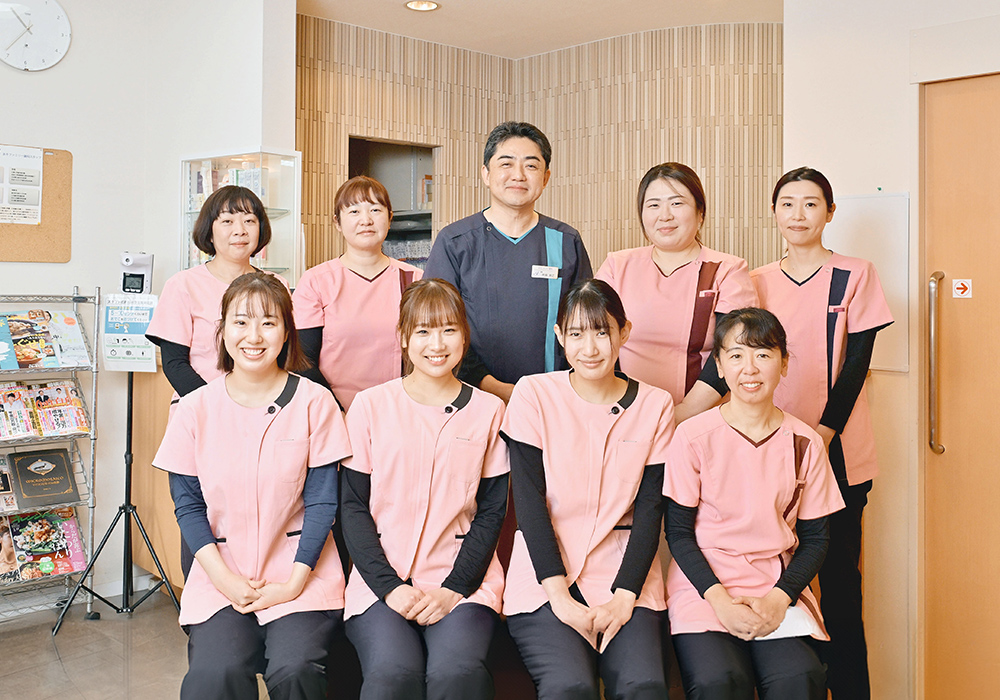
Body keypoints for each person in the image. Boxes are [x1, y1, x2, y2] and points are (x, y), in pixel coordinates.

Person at [153, 272, 350, 700]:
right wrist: (224, 579)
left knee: (296, 669)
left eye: (268, 322)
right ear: (222, 331)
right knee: (214, 674)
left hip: (300, 573)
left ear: (287, 332)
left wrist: (294, 582)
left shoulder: (315, 401)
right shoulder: (194, 408)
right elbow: (187, 506)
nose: (254, 336)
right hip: (222, 574)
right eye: (241, 322)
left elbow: (322, 502)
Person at [750, 167, 893, 699]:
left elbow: (857, 364)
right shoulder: (756, 281)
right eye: (787, 203)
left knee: (839, 589)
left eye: (811, 204)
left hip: (837, 453)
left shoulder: (855, 274)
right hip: (768, 450)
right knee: (772, 581)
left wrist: (823, 435)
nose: (798, 214)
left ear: (830, 212)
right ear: (774, 212)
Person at [501, 279, 673, 699]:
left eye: (601, 332)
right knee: (568, 687)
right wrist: (559, 596)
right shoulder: (534, 394)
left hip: (625, 572)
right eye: (576, 334)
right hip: (544, 574)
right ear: (560, 336)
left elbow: (651, 510)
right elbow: (529, 504)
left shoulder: (655, 404)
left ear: (624, 332)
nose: (590, 348)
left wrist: (625, 597)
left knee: (644, 685)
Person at [663, 307, 845, 700]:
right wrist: (719, 600)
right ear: (719, 366)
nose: (750, 368)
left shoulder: (806, 443)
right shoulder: (692, 436)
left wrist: (780, 598)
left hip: (776, 588)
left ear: (784, 363)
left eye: (763, 354)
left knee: (800, 679)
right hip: (704, 588)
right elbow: (677, 532)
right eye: (736, 355)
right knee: (719, 682)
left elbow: (816, 539)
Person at [340, 278, 508, 699]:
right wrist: (390, 587)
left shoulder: (489, 410)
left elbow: (492, 511)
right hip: (381, 578)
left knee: (457, 673)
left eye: (449, 330)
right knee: (392, 674)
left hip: (463, 579)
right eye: (423, 331)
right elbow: (352, 507)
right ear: (402, 337)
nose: (437, 344)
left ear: (465, 336)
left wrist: (454, 589)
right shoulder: (371, 406)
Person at [147, 185, 288, 577]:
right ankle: (202, 604)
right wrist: (222, 408)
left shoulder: (274, 285)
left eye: (249, 220)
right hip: (202, 418)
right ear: (209, 230)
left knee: (263, 514)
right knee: (200, 517)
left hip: (265, 417)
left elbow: (285, 356)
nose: (239, 230)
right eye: (227, 220)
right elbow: (175, 364)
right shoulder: (183, 285)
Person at [423, 121, 592, 404]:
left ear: (546, 177)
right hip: (469, 398)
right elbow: (435, 329)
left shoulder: (566, 242)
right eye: (506, 164)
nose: (518, 175)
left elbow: (587, 325)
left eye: (531, 165)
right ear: (486, 174)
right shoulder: (455, 242)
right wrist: (491, 386)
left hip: (553, 400)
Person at [596, 162, 757, 423]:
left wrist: (682, 415)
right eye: (653, 205)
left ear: (700, 212)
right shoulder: (617, 266)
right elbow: (594, 340)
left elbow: (735, 352)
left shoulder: (727, 269)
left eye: (677, 203)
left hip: (703, 419)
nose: (665, 216)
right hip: (622, 415)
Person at [292, 175, 423, 412]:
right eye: (354, 211)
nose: (366, 220)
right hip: (333, 413)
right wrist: (338, 412)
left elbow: (427, 352)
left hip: (399, 411)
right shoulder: (316, 281)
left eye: (375, 210)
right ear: (337, 222)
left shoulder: (414, 279)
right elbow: (303, 361)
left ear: (390, 218)